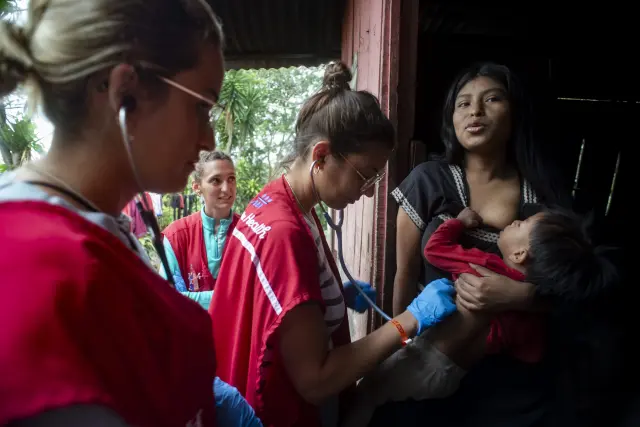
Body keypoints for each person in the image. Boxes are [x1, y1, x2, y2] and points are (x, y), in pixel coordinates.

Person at [0, 1, 260, 426]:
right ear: (126, 95)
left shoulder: (92, 229)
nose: (208, 137)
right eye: (202, 106)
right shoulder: (44, 273)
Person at [209, 61, 459, 427]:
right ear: (321, 156)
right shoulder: (285, 230)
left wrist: (327, 298)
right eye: (366, 175)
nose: (371, 190)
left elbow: (272, 303)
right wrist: (409, 320)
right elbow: (316, 381)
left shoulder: (275, 200)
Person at [381, 62, 571, 427]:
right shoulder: (428, 182)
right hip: (435, 360)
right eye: (463, 104)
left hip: (516, 379)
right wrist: (401, 348)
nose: (475, 112)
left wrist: (517, 296)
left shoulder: (545, 192)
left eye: (492, 99)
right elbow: (403, 273)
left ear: (515, 112)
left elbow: (574, 284)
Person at [344, 205, 617, 427]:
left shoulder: (483, 264)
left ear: (520, 254)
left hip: (422, 360)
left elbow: (434, 249)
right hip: (451, 379)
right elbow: (530, 354)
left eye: (521, 224)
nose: (514, 221)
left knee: (367, 392)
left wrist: (459, 222)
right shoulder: (532, 317)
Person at [161, 150, 240, 310]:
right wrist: (229, 297)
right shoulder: (176, 236)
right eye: (216, 181)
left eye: (231, 179)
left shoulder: (249, 232)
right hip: (190, 332)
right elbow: (167, 296)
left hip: (237, 334)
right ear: (197, 187)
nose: (226, 188)